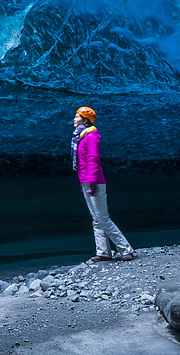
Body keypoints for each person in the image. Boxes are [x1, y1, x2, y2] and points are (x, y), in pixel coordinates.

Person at [71, 105, 133, 263]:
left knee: (102, 217)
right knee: (96, 218)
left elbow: (93, 159)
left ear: (85, 120)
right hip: (85, 180)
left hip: (94, 181)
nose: (74, 119)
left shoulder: (91, 136)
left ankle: (126, 249)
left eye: (77, 116)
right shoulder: (81, 136)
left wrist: (92, 181)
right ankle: (103, 251)